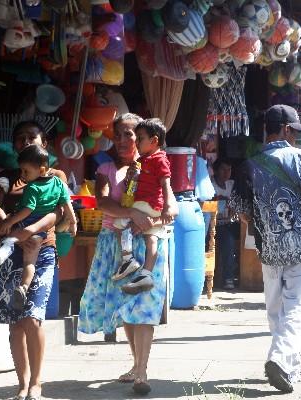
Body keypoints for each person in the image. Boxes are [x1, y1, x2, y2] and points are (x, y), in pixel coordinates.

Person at [230, 104, 301, 393]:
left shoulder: (248, 165)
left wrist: (265, 226)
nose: (296, 137)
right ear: (286, 129)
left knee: (275, 306)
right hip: (300, 246)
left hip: (268, 248)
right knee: (296, 307)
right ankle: (280, 358)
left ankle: (287, 366)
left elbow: (242, 211)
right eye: (295, 131)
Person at [78, 113, 178, 395]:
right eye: (117, 134)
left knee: (144, 306)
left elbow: (171, 206)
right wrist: (131, 212)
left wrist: (151, 220)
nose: (122, 140)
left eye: (129, 135)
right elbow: (103, 201)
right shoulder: (106, 168)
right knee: (127, 308)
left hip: (147, 242)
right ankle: (136, 365)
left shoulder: (155, 165)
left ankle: (142, 371)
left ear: (144, 138)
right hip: (116, 243)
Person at [0, 121, 68, 400]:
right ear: (14, 146)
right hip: (10, 253)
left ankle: (37, 383)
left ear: (43, 142)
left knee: (33, 318)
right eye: (19, 138)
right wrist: (7, 228)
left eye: (31, 137)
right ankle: (21, 385)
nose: (25, 141)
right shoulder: (9, 176)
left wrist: (30, 231)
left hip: (42, 251)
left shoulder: (55, 176)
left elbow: (59, 213)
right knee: (16, 322)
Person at [112, 118, 174, 295]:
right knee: (151, 238)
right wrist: (132, 177)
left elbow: (165, 182)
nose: (136, 143)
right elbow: (139, 184)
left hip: (147, 204)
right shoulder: (144, 161)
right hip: (151, 205)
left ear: (154, 141)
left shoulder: (158, 159)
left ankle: (127, 259)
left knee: (119, 223)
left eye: (140, 139)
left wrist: (168, 203)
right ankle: (146, 273)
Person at [212, 158, 239, 290]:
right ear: (216, 171)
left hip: (230, 223)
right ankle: (228, 277)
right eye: (223, 169)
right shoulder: (211, 185)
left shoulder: (231, 184)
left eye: (229, 170)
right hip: (215, 225)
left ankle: (240, 271)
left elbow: (235, 202)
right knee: (228, 240)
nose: (226, 173)